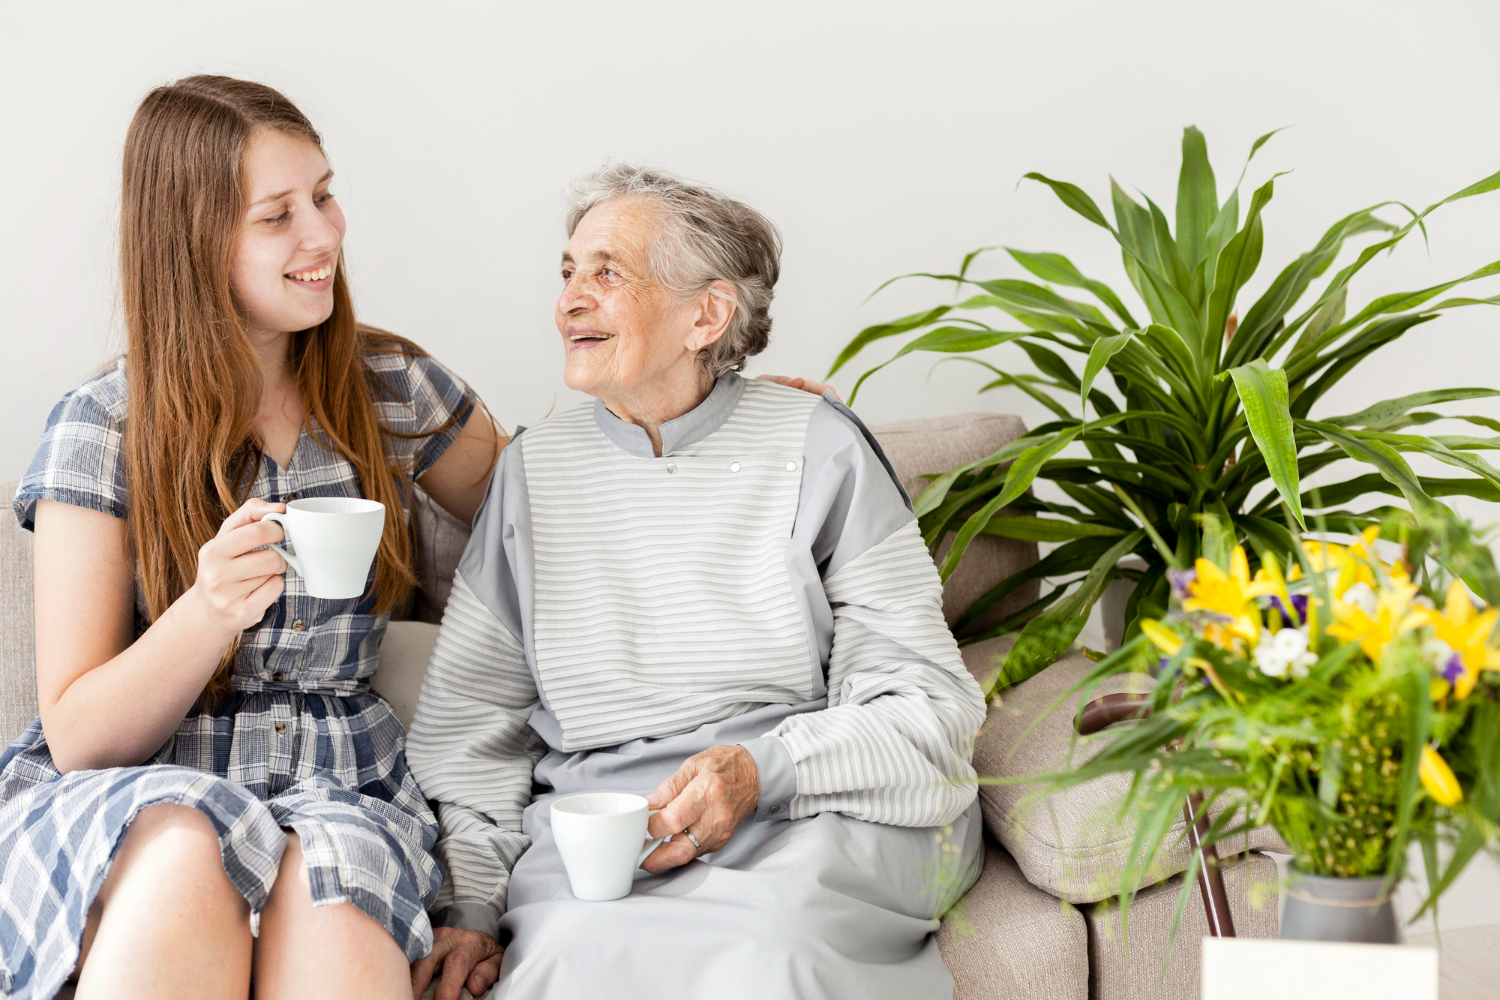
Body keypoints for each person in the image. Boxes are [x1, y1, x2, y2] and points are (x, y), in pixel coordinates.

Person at [0, 76, 839, 1000]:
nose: (324, 234)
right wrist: (206, 612)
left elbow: (561, 501)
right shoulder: (102, 427)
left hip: (339, 791)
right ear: (192, 243)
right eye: (277, 215)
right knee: (186, 856)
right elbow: (78, 737)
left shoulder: (391, 389)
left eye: (322, 194)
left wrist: (723, 412)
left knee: (333, 907)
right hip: (155, 788)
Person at [406, 166, 987, 1000]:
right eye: (567, 271)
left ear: (706, 315)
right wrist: (469, 900)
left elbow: (929, 706)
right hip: (611, 827)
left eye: (607, 272)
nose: (570, 299)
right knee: (568, 963)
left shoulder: (818, 449)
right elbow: (472, 731)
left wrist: (762, 769)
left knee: (767, 955)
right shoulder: (534, 475)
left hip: (810, 806)